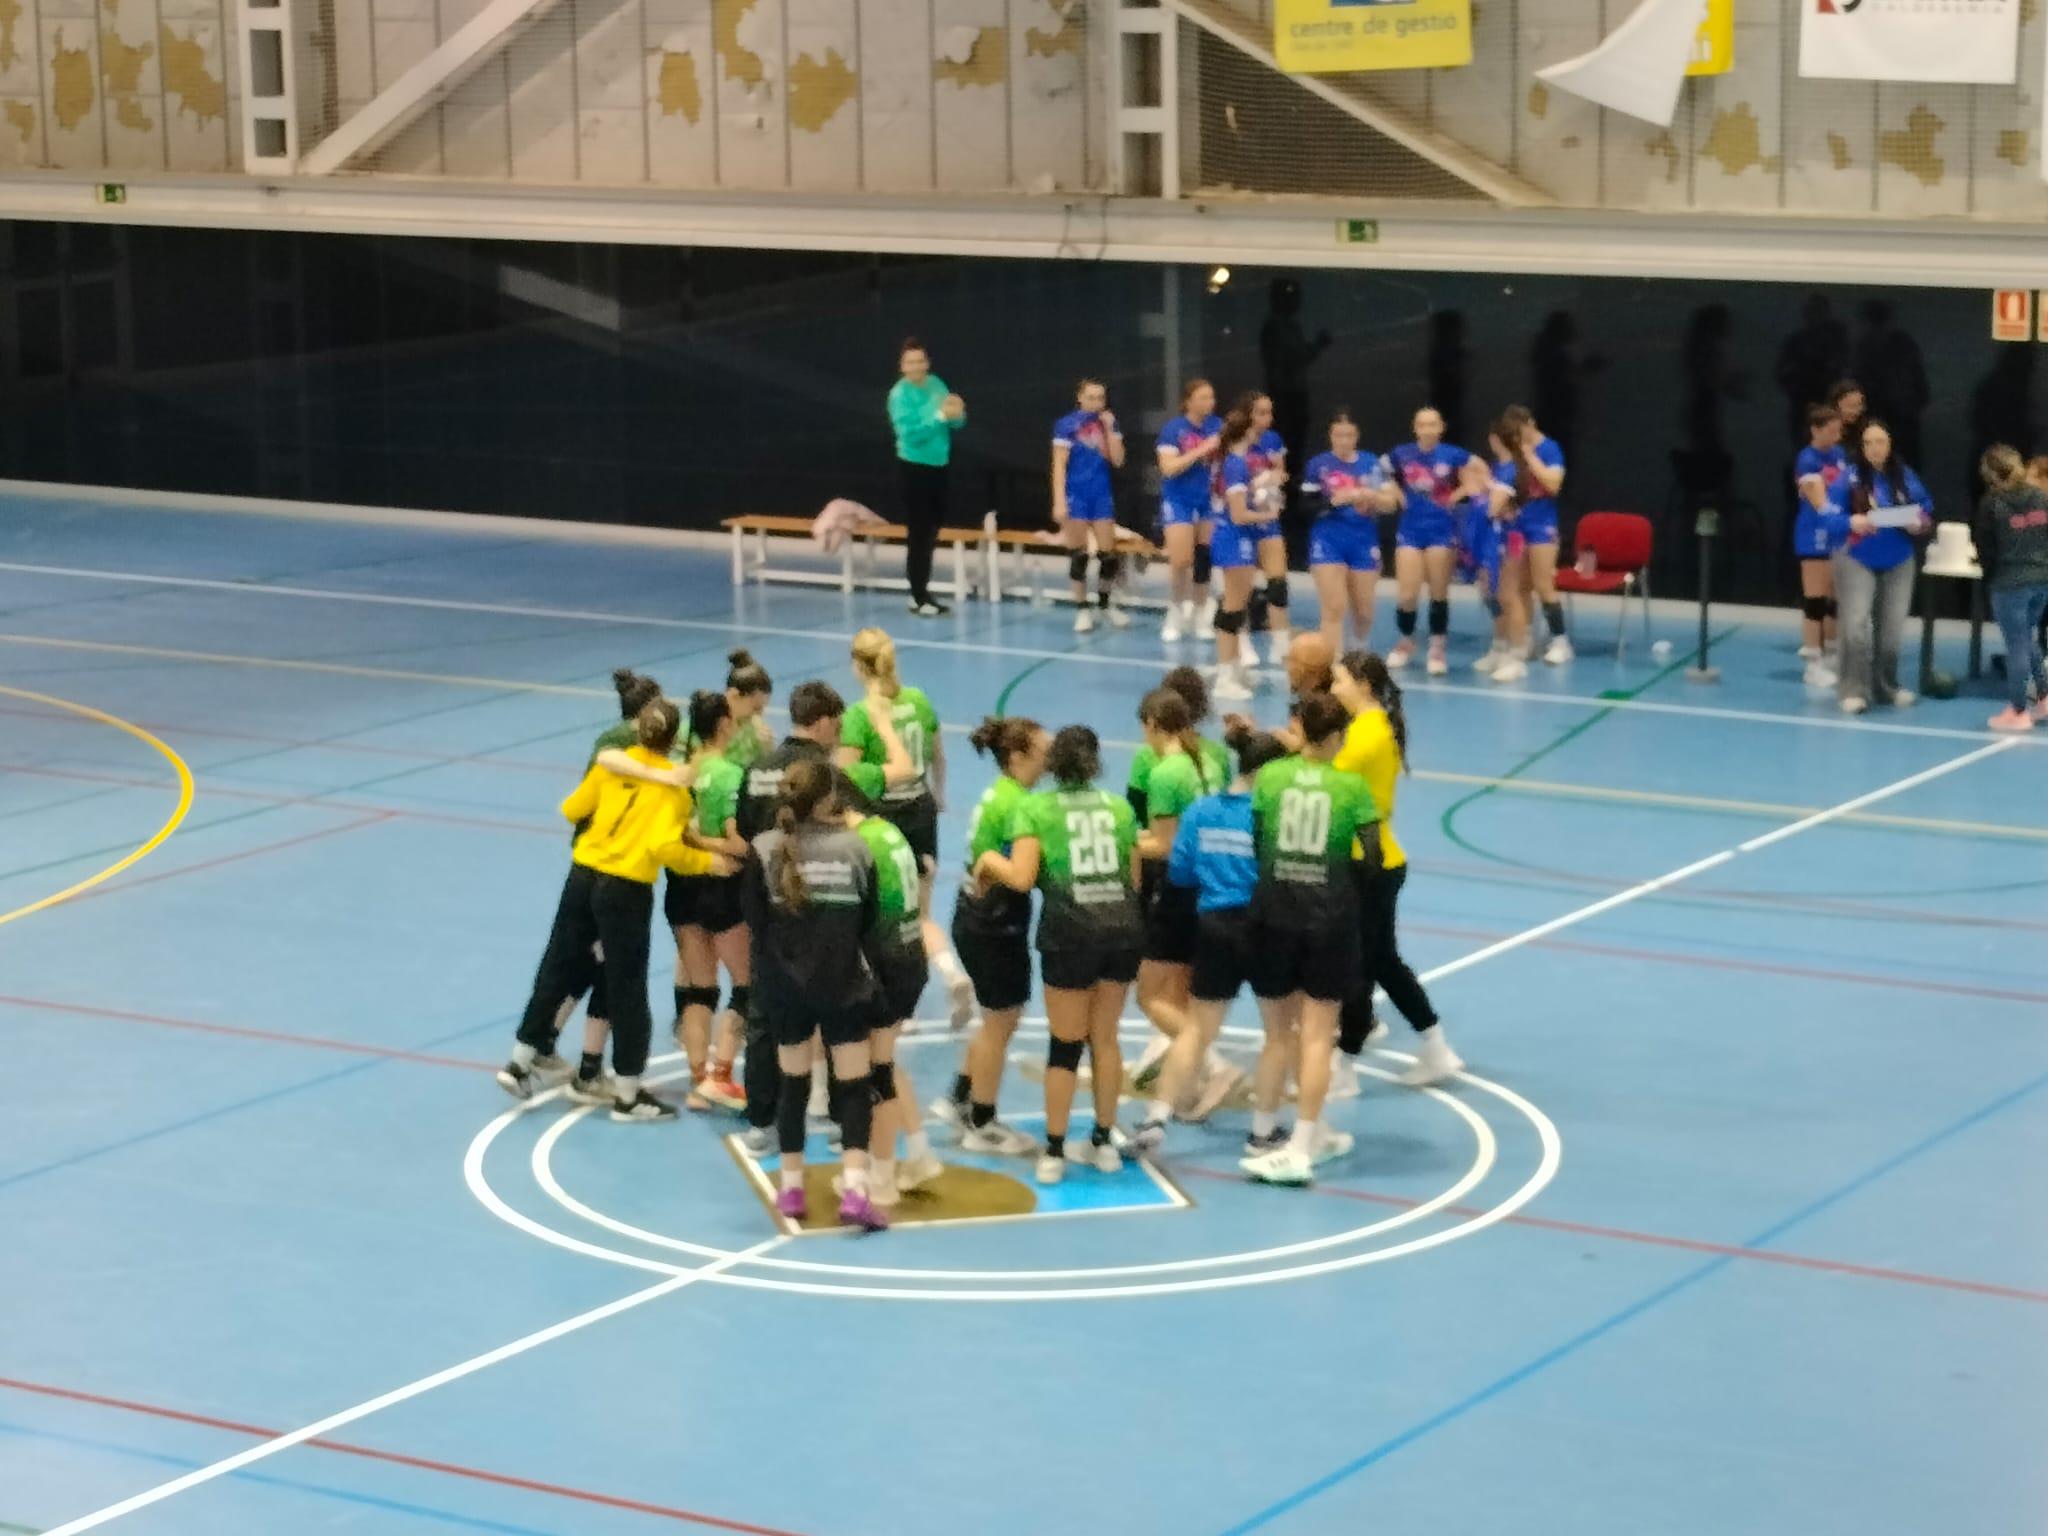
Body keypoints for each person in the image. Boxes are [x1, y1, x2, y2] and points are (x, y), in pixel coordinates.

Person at [498, 699, 732, 1122]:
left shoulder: (611, 767)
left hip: (582, 876)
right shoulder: (674, 791)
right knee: (627, 986)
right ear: (673, 740)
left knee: (557, 967)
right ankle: (628, 1094)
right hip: (625, 889)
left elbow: (572, 809)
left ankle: (520, 1060)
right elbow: (665, 848)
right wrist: (708, 862)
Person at [733, 681, 895, 1157]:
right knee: (840, 1038)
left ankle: (762, 1122)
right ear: (822, 722)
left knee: (768, 1027)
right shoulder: (828, 776)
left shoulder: (758, 769)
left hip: (774, 925)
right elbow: (866, 828)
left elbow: (743, 835)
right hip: (829, 934)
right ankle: (846, 1137)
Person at [974, 726, 1139, 1186]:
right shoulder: (1119, 808)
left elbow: (1022, 877)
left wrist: (988, 860)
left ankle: (1053, 1151)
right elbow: (1134, 880)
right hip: (1123, 929)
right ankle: (1104, 1143)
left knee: (1065, 1045)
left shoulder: (1036, 808)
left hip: (1071, 933)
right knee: (1105, 1039)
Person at [742, 761, 891, 1231]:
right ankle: (856, 1191)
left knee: (793, 1083)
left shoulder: (764, 848)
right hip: (842, 984)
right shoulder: (855, 848)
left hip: (784, 988)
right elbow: (869, 921)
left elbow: (754, 922)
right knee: (853, 1086)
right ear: (829, 799)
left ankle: (790, 1189)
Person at [1238, 694, 1380, 1186]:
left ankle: (1261, 1132)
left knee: (1278, 1035)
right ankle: (1302, 1146)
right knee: (1318, 1036)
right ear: (1337, 735)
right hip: (1327, 920)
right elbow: (1372, 857)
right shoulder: (1351, 786)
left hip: (1273, 913)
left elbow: (1258, 840)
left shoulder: (1272, 776)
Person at [1132, 722, 1290, 1156]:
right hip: (1263, 926)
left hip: (1214, 927)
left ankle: (1156, 1119)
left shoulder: (1201, 811)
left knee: (1197, 1030)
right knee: (1279, 1033)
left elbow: (1181, 873)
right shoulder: (1273, 815)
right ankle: (1262, 1134)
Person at [1332, 651, 1461, 1085]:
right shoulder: (1367, 726)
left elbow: (1327, 779)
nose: (1334, 689)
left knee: (1362, 964)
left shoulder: (1365, 735)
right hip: (1378, 860)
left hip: (1366, 863)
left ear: (1363, 684)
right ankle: (1435, 1046)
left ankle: (1344, 1064)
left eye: (1340, 681)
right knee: (1380, 960)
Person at [837, 628, 974, 1028]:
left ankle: (898, 1005)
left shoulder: (861, 715)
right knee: (921, 912)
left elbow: (845, 780)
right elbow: (938, 756)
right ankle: (951, 972)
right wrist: (938, 795)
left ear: (858, 665)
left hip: (880, 819)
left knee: (881, 915)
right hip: (919, 811)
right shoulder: (918, 700)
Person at [940, 716, 1050, 1156]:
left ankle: (959, 1097)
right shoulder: (1019, 805)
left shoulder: (1001, 793)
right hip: (994, 923)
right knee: (1001, 1022)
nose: (1050, 757)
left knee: (996, 1019)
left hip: (976, 917)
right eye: (1043, 750)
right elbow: (1021, 875)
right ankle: (981, 1122)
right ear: (1018, 756)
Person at [1130, 687, 1233, 1117]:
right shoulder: (1207, 761)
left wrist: (1122, 840)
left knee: (1149, 992)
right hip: (1212, 883)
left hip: (1180, 889)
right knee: (1185, 990)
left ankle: (1215, 1065)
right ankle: (1191, 1081)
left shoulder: (1166, 773)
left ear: (1153, 724)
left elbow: (1166, 845)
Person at [848, 801, 944, 1206]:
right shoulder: (888, 831)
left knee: (878, 1070)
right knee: (884, 1061)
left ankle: (882, 1176)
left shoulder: (861, 843)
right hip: (908, 957)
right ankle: (917, 1153)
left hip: (884, 965)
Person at [663, 690, 750, 1113]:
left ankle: (698, 1082)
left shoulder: (680, 772)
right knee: (747, 985)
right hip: (721, 888)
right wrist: (712, 844)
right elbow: (737, 843)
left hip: (680, 884)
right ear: (723, 724)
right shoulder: (729, 774)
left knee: (699, 989)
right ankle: (721, 1077)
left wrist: (691, 842)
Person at [1838, 418, 1932, 716]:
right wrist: (1850, 521)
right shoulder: (1848, 477)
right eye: (1868, 443)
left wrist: (1920, 523)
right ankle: (1853, 690)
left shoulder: (1905, 476)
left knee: (1891, 630)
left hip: (1898, 559)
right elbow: (1828, 516)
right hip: (1856, 557)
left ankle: (1885, 687)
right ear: (1861, 447)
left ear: (1890, 445)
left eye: (1880, 442)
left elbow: (1925, 510)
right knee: (1855, 626)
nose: (1875, 448)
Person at [1382, 407, 1472, 675]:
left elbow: (1477, 476)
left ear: (1441, 427)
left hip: (1441, 530)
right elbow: (1380, 471)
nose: (1427, 429)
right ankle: (1406, 641)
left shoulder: (1453, 454)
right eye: (1422, 424)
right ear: (1415, 427)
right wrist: (1398, 495)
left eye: (1433, 424)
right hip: (1410, 529)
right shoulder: (1402, 453)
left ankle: (1437, 647)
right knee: (1407, 593)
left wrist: (1456, 496)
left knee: (1438, 591)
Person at [1482, 406, 1571, 672]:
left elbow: (1553, 485)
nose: (1519, 438)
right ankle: (1526, 639)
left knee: (1543, 584)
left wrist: (1530, 456)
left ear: (1531, 423)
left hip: (1542, 527)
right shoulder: (1514, 452)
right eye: (1514, 435)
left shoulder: (1549, 449)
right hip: (1517, 528)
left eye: (1521, 432)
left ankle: (1561, 641)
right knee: (1520, 586)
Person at [1303, 411, 1396, 656]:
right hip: (1328, 539)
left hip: (1363, 540)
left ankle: (1358, 651)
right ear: (1330, 436)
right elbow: (1306, 506)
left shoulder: (1371, 463)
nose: (1344, 441)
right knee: (1333, 607)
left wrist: (1370, 495)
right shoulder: (1318, 465)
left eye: (1349, 435)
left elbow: (1390, 504)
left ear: (1357, 436)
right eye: (1338, 435)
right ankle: (1332, 665)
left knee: (1364, 611)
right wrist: (1335, 502)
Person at [1212, 401, 1287, 702]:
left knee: (1237, 607)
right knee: (1232, 609)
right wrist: (1268, 515)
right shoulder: (1235, 463)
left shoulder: (1237, 462)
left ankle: (1232, 670)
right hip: (1234, 538)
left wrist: (1263, 487)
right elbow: (1239, 514)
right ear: (1244, 431)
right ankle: (1224, 677)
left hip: (1238, 538)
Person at [887, 337, 966, 618]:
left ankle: (920, 590)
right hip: (913, 469)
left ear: (927, 363)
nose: (916, 366)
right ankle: (918, 595)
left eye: (920, 361)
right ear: (902, 366)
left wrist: (957, 414)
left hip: (939, 466)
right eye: (911, 362)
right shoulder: (899, 395)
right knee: (919, 533)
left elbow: (955, 421)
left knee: (932, 530)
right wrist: (939, 416)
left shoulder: (936, 384)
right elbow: (910, 434)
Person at [1974, 445, 2048, 731]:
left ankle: (2018, 711)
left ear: (1990, 473)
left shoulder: (1991, 503)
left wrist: (1991, 577)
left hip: (2009, 583)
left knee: (2017, 644)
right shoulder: (2041, 497)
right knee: (2028, 637)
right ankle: (2044, 697)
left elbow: (1986, 548)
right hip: (2041, 580)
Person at [1053, 379, 1130, 632]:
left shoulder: (1108, 423)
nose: (1097, 403)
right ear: (1080, 397)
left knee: (1109, 556)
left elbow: (1118, 460)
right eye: (1091, 397)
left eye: (1101, 398)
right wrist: (1059, 501)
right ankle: (1082, 609)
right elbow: (1059, 464)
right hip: (1076, 494)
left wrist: (1109, 429)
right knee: (1080, 555)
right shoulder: (1066, 425)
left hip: (1101, 493)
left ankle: (1105, 605)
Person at [1155, 379, 1224, 643]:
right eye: (1204, 397)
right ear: (1189, 401)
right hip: (1179, 499)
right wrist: (1201, 450)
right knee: (1181, 560)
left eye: (1212, 397)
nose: (1210, 402)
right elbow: (1168, 467)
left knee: (1204, 557)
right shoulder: (1174, 429)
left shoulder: (1218, 427)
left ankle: (1200, 612)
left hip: (1207, 499)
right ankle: (1174, 611)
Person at [1793, 404, 1853, 688]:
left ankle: (1832, 655)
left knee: (1834, 599)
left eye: (1839, 431)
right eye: (1831, 431)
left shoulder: (1839, 454)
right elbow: (1819, 500)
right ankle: (1812, 664)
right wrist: (1845, 519)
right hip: (1813, 532)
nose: (1836, 436)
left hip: (1835, 532)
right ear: (1815, 430)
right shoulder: (1807, 459)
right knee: (1815, 600)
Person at [1238, 392, 1296, 667]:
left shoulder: (1272, 440)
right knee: (1241, 586)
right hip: (1240, 519)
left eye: (1270, 413)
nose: (1267, 419)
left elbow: (1281, 473)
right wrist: (1255, 483)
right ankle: (1242, 641)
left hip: (1266, 517)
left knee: (1278, 584)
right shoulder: (1233, 440)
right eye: (1261, 413)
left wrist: (1273, 479)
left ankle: (1280, 644)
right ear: (1247, 414)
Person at [721, 650, 774, 773]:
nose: (760, 714)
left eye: (763, 708)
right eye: (756, 708)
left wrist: (767, 749)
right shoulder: (705, 726)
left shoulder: (753, 732)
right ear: (733, 696)